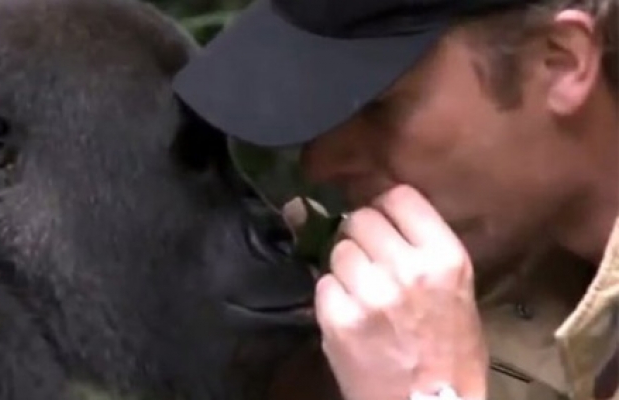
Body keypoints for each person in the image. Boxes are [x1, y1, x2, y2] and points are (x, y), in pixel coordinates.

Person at [172, 0, 619, 399]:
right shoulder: (522, 289)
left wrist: (431, 390)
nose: (321, 164)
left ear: (557, 61)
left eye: (377, 108)